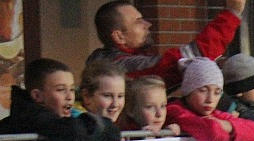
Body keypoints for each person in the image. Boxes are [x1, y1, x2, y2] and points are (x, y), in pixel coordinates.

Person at [87, 0, 245, 89]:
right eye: (138, 22)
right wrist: (232, 13)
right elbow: (189, 59)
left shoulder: (119, 61)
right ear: (119, 36)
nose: (147, 24)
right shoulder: (119, 67)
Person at [0, 57, 120, 141]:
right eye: (61, 89)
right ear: (37, 95)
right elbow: (72, 131)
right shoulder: (28, 118)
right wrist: (101, 128)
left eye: (72, 89)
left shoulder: (69, 115)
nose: (69, 97)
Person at [166, 58, 254, 141]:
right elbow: (212, 132)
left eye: (217, 92)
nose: (210, 99)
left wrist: (227, 125)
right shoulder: (175, 111)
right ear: (188, 90)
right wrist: (236, 134)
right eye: (203, 90)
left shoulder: (215, 115)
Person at [78, 60, 126, 125]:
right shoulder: (76, 129)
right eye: (107, 96)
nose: (115, 104)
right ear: (87, 96)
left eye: (120, 96)